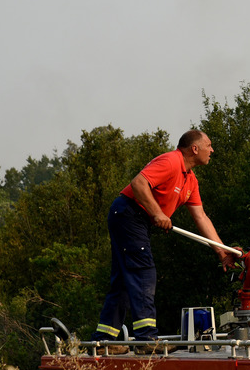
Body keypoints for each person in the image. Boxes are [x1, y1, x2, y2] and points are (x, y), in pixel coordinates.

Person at [91, 130, 238, 354]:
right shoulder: (171, 161)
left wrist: (222, 252)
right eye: (209, 145)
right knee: (144, 273)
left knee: (123, 280)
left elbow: (201, 217)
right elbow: (139, 183)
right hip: (129, 214)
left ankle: (103, 342)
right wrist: (158, 213)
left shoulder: (191, 180)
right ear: (194, 149)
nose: (212, 150)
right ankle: (146, 339)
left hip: (133, 219)